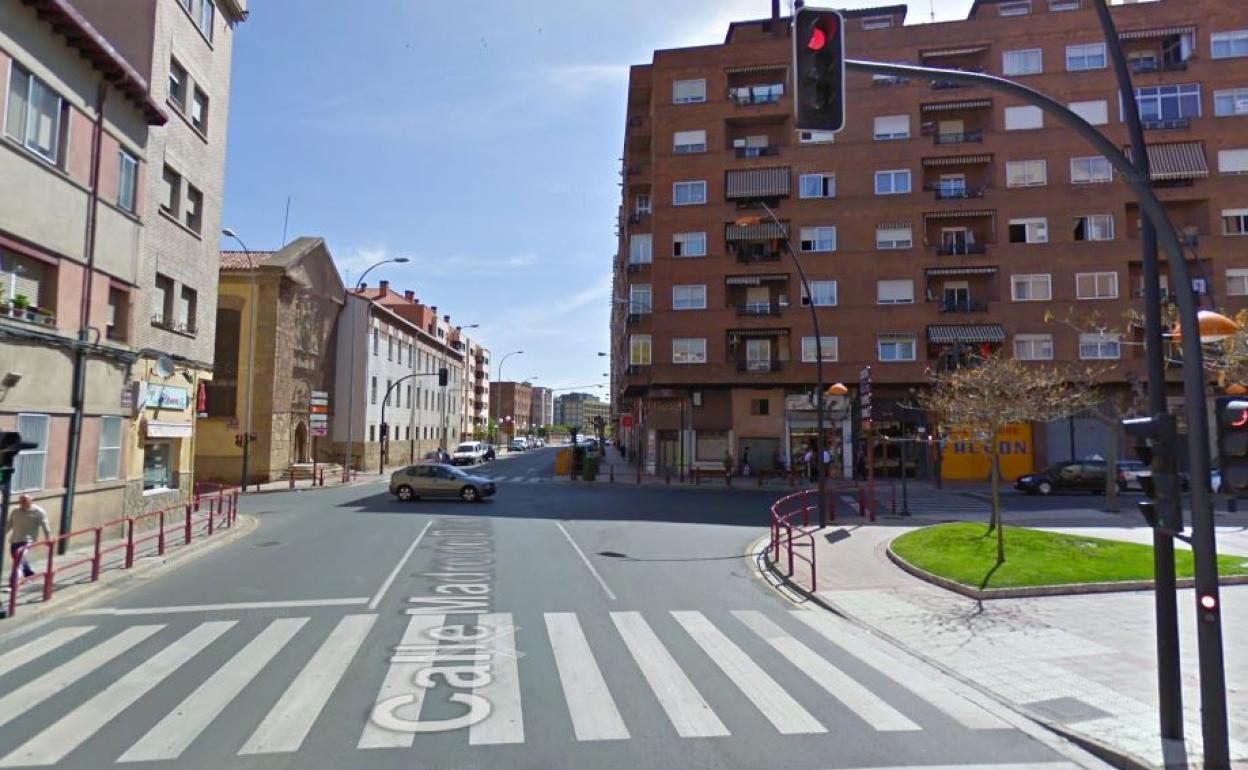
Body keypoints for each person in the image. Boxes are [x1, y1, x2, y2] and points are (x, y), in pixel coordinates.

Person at [6, 494, 51, 580]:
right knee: (17, 557)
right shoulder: (15, 511)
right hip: (15, 539)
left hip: (28, 540)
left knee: (18, 560)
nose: (22, 503)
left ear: (31, 501)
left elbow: (45, 525)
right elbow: (9, 525)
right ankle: (29, 574)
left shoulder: (38, 512)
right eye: (20, 501)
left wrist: (47, 538)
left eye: (25, 501)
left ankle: (13, 581)